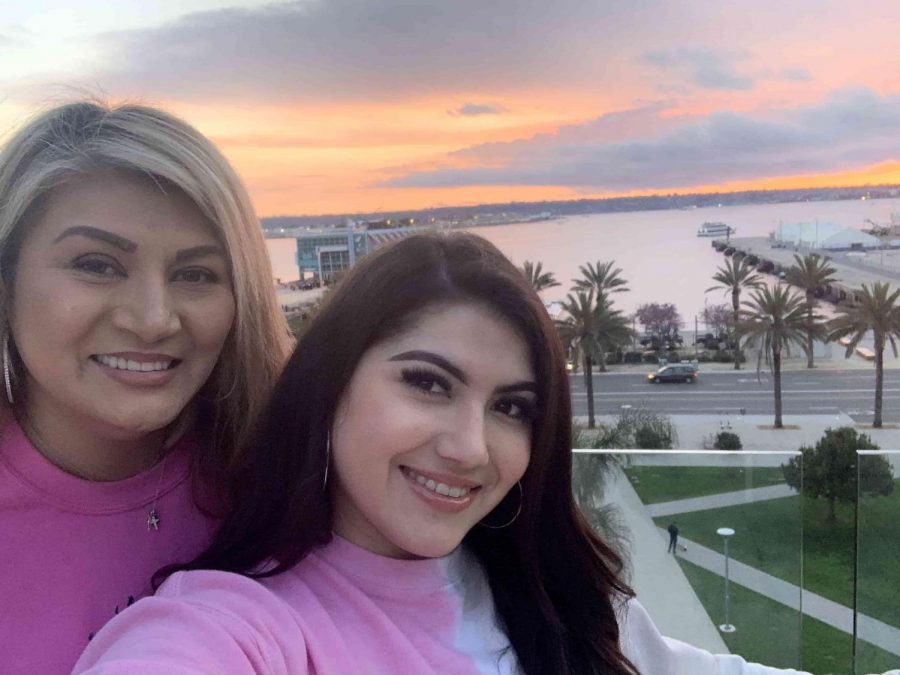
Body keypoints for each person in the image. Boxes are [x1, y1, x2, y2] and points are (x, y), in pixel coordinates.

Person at [75, 232, 812, 674]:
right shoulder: (240, 626)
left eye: (511, 407)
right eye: (427, 382)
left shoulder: (550, 599)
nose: (468, 447)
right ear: (331, 383)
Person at [0, 100, 291, 673]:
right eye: (97, 265)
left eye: (196, 274)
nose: (155, 319)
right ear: (7, 285)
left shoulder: (280, 483)